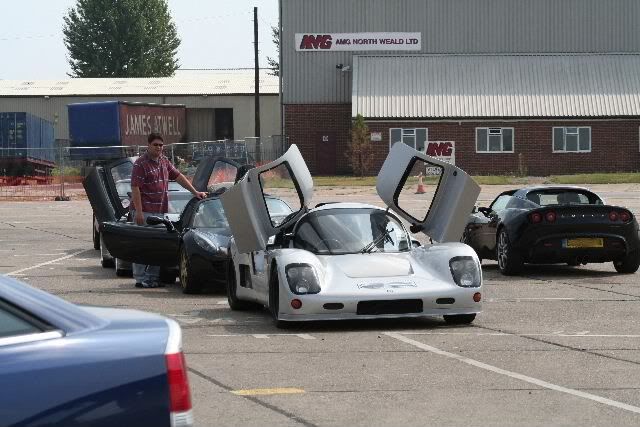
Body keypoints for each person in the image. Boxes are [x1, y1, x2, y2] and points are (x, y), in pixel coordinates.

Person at [130, 132, 207, 288]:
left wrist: (195, 192)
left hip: (160, 212)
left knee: (157, 246)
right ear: (148, 145)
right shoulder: (140, 164)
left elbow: (179, 177)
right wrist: (138, 212)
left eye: (161, 145)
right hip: (144, 211)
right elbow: (135, 188)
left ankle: (152, 278)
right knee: (142, 245)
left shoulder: (164, 161)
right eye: (155, 145)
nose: (158, 147)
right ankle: (140, 279)